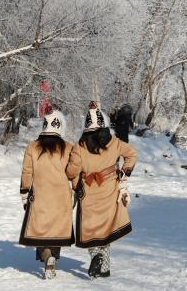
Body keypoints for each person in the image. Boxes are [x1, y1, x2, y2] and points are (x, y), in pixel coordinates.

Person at [74, 106, 138, 278]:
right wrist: (124, 172)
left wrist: (76, 184)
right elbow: (132, 154)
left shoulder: (79, 147)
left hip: (88, 193)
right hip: (109, 190)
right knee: (106, 230)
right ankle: (105, 267)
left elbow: (72, 171)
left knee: (90, 230)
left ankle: (96, 255)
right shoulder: (115, 143)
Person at [19, 109, 81, 279]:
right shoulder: (68, 147)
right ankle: (52, 255)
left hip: (40, 195)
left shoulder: (32, 147)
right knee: (56, 229)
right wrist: (77, 189)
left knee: (41, 229)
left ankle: (46, 254)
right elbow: (73, 173)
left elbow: (27, 172)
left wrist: (24, 193)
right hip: (61, 197)